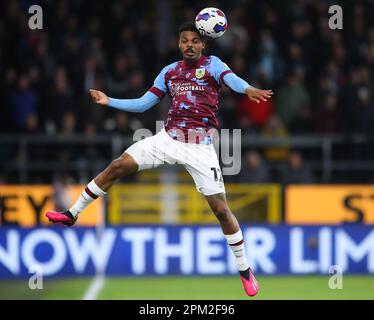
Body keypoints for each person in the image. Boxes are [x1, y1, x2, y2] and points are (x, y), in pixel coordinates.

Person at [46, 22, 273, 297]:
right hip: (167, 139)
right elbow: (143, 103)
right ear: (178, 44)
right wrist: (109, 101)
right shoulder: (170, 72)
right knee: (118, 165)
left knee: (221, 211)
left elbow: (232, 80)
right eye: (184, 40)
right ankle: (72, 213)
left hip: (200, 147)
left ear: (203, 44)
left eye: (194, 41)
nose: (189, 45)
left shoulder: (214, 64)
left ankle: (245, 270)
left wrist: (247, 88)